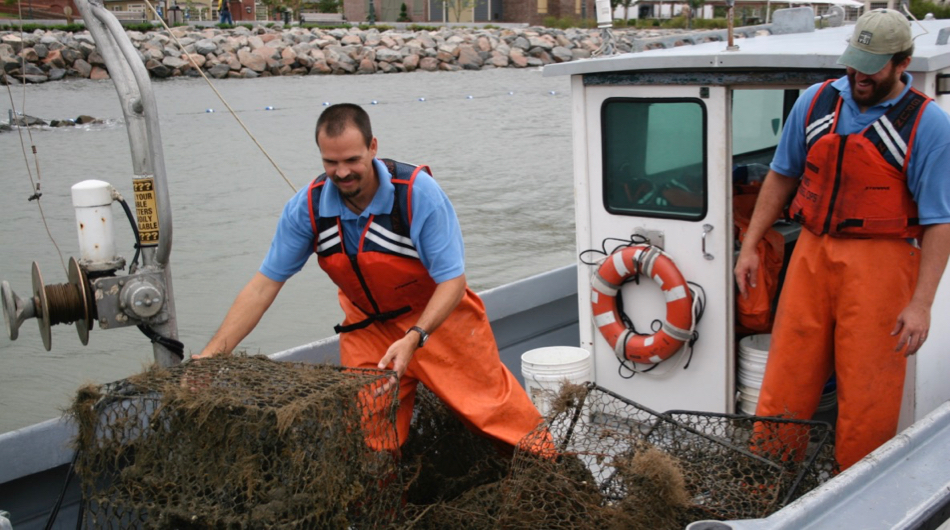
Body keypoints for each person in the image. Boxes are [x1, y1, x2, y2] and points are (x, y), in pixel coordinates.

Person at [196, 103, 546, 453]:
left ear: (373, 147)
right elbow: (262, 287)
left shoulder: (416, 194)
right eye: (330, 162)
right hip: (367, 328)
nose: (342, 172)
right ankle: (387, 501)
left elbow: (452, 282)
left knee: (496, 414)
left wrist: (414, 337)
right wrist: (213, 353)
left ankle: (552, 475)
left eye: (352, 160)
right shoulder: (307, 207)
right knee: (368, 436)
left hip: (440, 321)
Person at [735, 9, 950, 470]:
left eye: (871, 67)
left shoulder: (929, 125)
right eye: (854, 62)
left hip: (882, 266)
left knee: (869, 390)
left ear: (901, 63)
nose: (858, 75)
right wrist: (751, 244)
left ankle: (854, 494)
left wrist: (921, 304)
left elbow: (939, 222)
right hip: (812, 255)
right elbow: (780, 177)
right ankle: (765, 480)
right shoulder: (815, 102)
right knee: (785, 374)